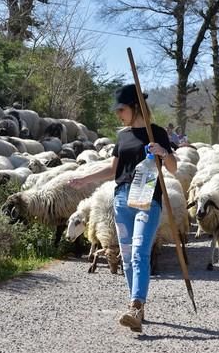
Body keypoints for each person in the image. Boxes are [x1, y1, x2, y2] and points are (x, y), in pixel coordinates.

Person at [67, 84, 177, 333]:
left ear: (135, 107)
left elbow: (173, 168)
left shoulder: (156, 132)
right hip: (122, 199)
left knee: (139, 252)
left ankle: (135, 306)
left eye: (121, 109)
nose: (118, 114)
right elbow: (113, 170)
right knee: (126, 256)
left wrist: (162, 152)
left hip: (148, 199)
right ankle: (136, 304)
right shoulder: (123, 136)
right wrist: (85, 179)